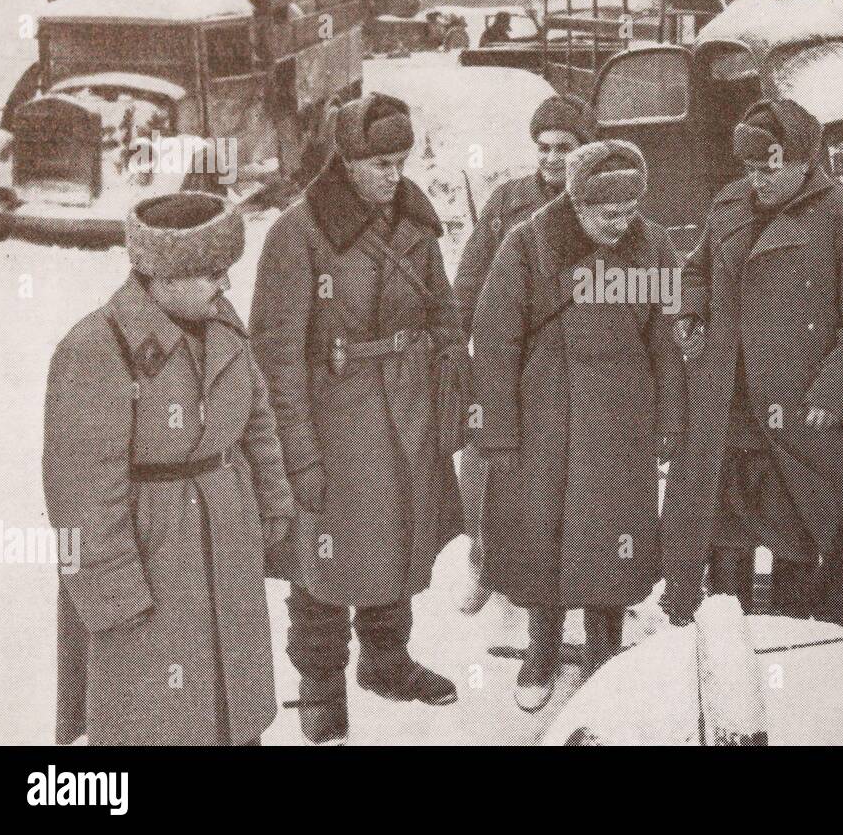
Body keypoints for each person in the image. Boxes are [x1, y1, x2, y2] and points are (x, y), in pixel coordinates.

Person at [250, 93, 467, 744]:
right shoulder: (298, 231)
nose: (393, 175)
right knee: (322, 560)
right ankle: (320, 692)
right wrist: (300, 456)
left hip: (407, 413)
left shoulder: (413, 217)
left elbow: (442, 305)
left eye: (400, 161)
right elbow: (275, 355)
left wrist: (452, 362)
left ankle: (387, 661)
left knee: (396, 541)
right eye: (379, 163)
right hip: (333, 421)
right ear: (345, 161)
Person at [45, 192, 293, 745]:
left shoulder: (223, 327)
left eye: (226, 270)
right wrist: (113, 594)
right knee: (156, 718)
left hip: (225, 539)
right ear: (161, 274)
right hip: (149, 559)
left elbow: (258, 425)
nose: (225, 286)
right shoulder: (96, 348)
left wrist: (271, 513)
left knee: (234, 707)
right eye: (210, 273)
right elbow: (79, 495)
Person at [661, 98, 843, 623]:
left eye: (769, 168)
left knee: (797, 537)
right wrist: (692, 311)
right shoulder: (729, 205)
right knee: (722, 534)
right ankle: (725, 639)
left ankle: (790, 647)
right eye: (748, 168)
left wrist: (833, 396)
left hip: (802, 412)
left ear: (804, 162)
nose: (757, 180)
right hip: (728, 401)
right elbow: (696, 269)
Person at [472, 140, 685, 711]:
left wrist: (667, 421)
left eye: (628, 212)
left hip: (622, 421)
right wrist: (498, 430)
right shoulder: (529, 245)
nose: (619, 225)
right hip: (546, 417)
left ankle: (605, 652)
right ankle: (541, 647)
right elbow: (494, 342)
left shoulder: (652, 248)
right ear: (578, 203)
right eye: (606, 215)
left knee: (612, 540)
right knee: (542, 536)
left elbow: (665, 341)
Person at [453, 94, 596, 615]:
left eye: (565, 147)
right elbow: (470, 278)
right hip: (506, 355)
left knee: (559, 476)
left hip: (573, 364)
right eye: (544, 148)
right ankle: (482, 554)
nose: (553, 159)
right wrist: (456, 346)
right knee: (486, 460)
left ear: (587, 149)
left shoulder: (604, 201)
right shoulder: (507, 202)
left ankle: (563, 586)